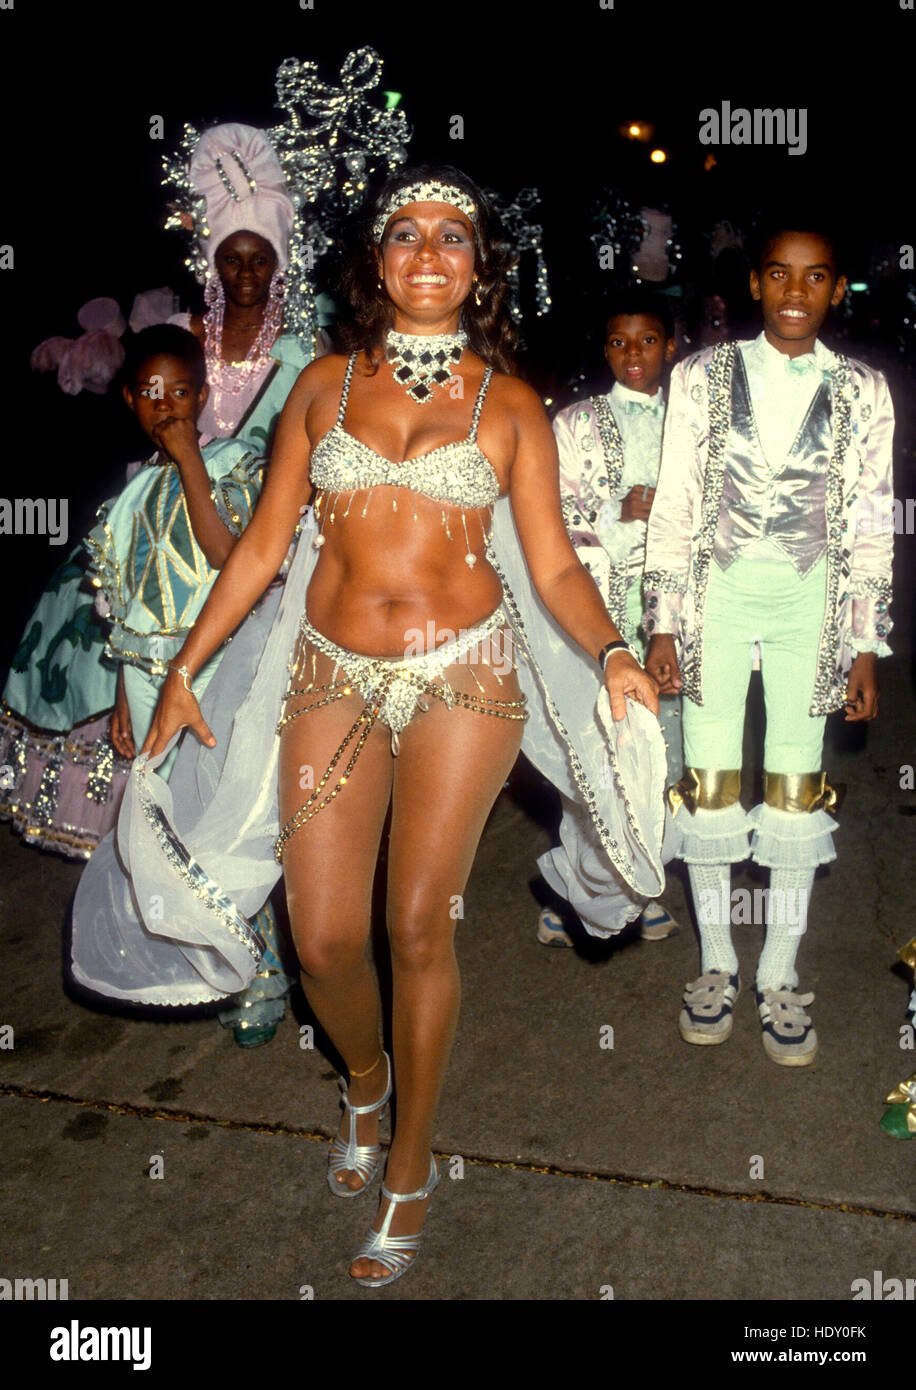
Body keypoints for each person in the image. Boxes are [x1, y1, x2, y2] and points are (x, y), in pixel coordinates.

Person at [76, 166, 666, 1289]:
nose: (431, 252)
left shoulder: (510, 404)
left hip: (466, 677)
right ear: (377, 259)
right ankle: (362, 1078)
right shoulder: (325, 388)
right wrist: (186, 669)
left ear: (481, 266)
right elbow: (259, 549)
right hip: (331, 670)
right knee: (324, 936)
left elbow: (549, 563)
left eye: (455, 235)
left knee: (415, 926)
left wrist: (614, 652)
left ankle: (409, 1160)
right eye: (408, 234)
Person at [0, 124, 311, 876]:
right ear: (211, 263)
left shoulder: (305, 352)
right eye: (230, 258)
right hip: (157, 528)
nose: (243, 273)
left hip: (252, 531)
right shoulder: (179, 332)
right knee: (120, 651)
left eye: (258, 260)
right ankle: (153, 855)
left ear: (279, 266)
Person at [644, 225, 894, 1065]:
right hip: (715, 595)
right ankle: (718, 963)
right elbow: (675, 503)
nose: (796, 292)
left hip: (810, 600)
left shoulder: (863, 389)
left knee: (795, 788)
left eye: (815, 277)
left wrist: (864, 642)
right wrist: (664, 622)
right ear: (754, 285)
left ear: (837, 289)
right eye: (780, 275)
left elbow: (870, 519)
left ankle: (779, 970)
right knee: (707, 787)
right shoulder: (702, 376)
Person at [538, 292, 684, 946]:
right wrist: (618, 514)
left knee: (664, 761)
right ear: (604, 350)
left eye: (647, 341)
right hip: (601, 619)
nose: (633, 355)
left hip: (675, 620)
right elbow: (555, 526)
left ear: (670, 347)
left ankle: (638, 877)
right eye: (619, 342)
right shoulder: (573, 424)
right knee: (597, 761)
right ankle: (583, 891)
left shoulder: (692, 422)